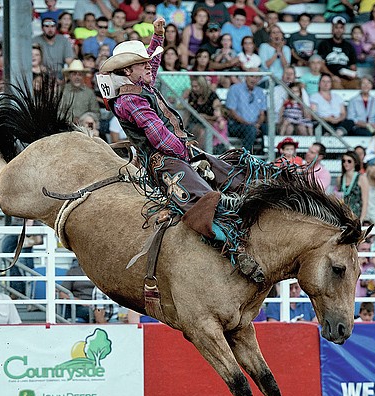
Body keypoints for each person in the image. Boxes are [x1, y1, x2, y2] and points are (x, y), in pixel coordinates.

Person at [98, 17, 263, 280]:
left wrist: (158, 36)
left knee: (225, 171)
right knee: (202, 200)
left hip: (176, 151)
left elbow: (152, 62)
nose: (147, 65)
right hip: (163, 160)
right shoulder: (130, 100)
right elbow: (160, 138)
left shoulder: (138, 86)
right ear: (128, 70)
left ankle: (255, 198)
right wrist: (188, 154)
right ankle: (235, 248)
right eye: (140, 63)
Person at [226, 71, 267, 154]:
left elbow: (262, 114)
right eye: (251, 76)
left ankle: (265, 156)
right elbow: (232, 112)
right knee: (250, 129)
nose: (254, 79)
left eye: (256, 77)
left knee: (267, 128)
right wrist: (250, 125)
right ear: (246, 77)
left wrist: (257, 125)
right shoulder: (235, 89)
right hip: (236, 125)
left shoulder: (260, 92)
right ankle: (245, 158)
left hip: (255, 125)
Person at [316, 16, 359, 89]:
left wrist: (351, 73)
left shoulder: (349, 46)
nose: (338, 30)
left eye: (341, 28)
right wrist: (332, 76)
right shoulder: (324, 44)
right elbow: (321, 65)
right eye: (336, 27)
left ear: (344, 29)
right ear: (332, 29)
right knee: (336, 86)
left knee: (359, 84)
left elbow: (353, 66)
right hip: (330, 78)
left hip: (346, 78)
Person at [337, 151, 369, 223]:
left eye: (349, 161)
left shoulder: (362, 178)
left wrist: (361, 220)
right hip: (343, 216)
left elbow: (365, 201)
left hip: (357, 216)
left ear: (355, 162)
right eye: (344, 161)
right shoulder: (340, 179)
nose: (346, 163)